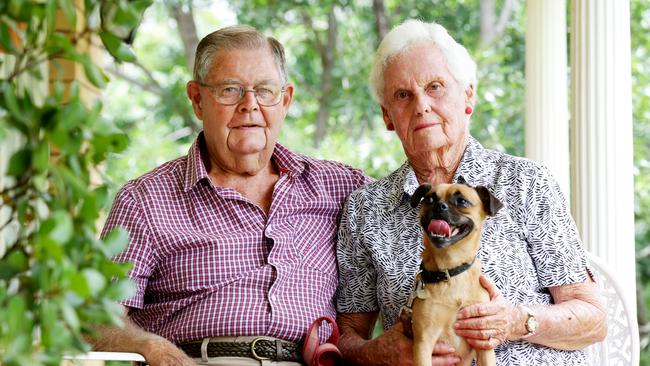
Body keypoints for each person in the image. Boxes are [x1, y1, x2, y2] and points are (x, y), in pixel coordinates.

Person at [91, 25, 372, 366]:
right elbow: (95, 317)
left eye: (265, 91)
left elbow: (413, 213)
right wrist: (151, 347)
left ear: (285, 100)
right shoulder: (146, 200)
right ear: (197, 99)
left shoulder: (340, 187)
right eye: (230, 90)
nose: (249, 105)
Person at [335, 19, 607, 365]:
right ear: (387, 116)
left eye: (435, 87)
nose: (421, 106)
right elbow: (345, 337)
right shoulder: (367, 208)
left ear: (468, 96)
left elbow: (592, 318)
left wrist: (516, 320)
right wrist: (378, 352)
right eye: (403, 95)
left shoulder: (524, 182)